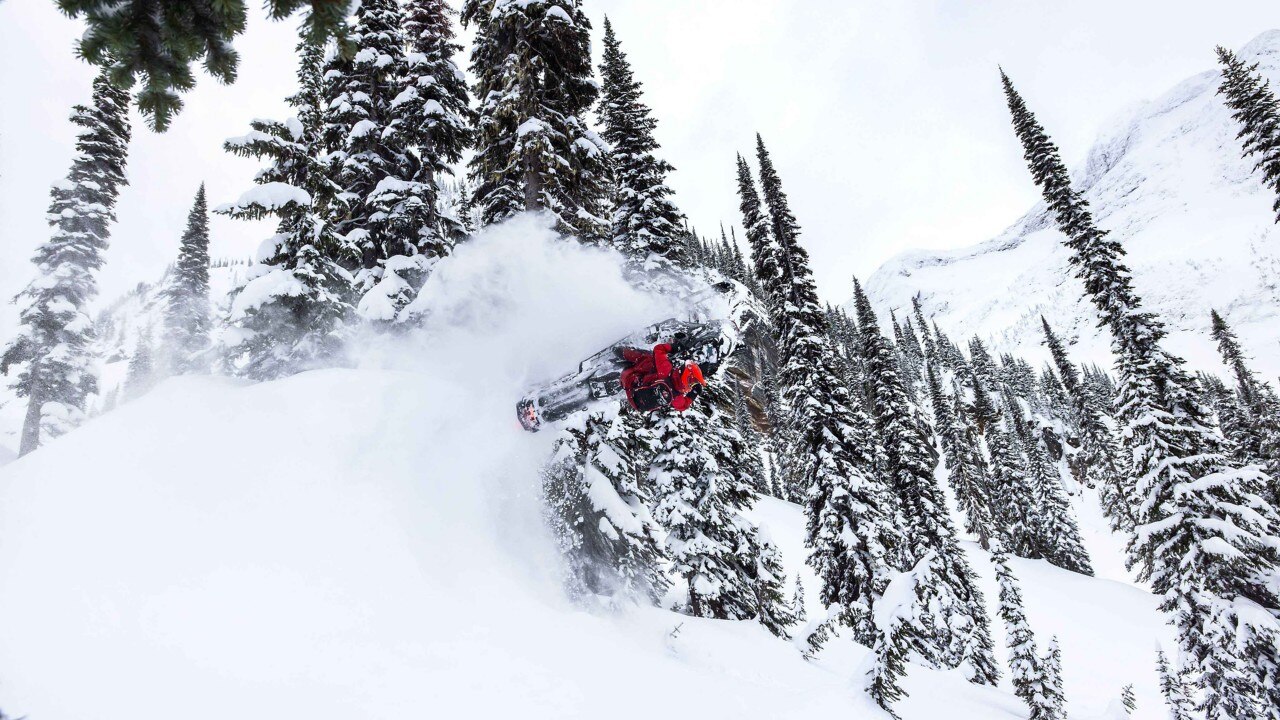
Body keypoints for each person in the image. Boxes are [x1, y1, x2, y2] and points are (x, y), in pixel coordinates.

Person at [618, 341, 706, 413]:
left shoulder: (665, 370)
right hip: (635, 402)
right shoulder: (677, 397)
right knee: (652, 372)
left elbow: (658, 349)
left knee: (648, 358)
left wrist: (674, 347)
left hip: (628, 378)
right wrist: (693, 394)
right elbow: (683, 406)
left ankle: (621, 352)